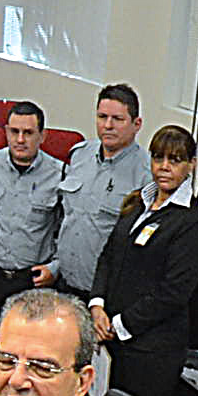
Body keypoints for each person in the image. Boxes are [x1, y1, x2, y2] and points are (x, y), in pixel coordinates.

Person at [92, 123, 198, 396]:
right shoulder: (137, 202)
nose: (165, 167)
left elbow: (173, 293)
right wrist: (97, 306)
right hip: (109, 338)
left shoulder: (192, 222)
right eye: (159, 158)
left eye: (175, 160)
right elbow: (108, 255)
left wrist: (118, 325)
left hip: (150, 351)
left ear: (191, 165)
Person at [48, 83, 151, 304]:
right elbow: (65, 219)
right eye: (102, 117)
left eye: (118, 119)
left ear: (137, 124)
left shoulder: (146, 174)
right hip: (65, 283)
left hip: (107, 293)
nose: (108, 125)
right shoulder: (79, 155)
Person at [0, 103, 64, 317]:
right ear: (6, 132)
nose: (20, 140)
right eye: (14, 132)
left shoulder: (59, 174)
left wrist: (56, 267)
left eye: (28, 133)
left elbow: (66, 230)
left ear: (43, 136)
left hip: (32, 279)